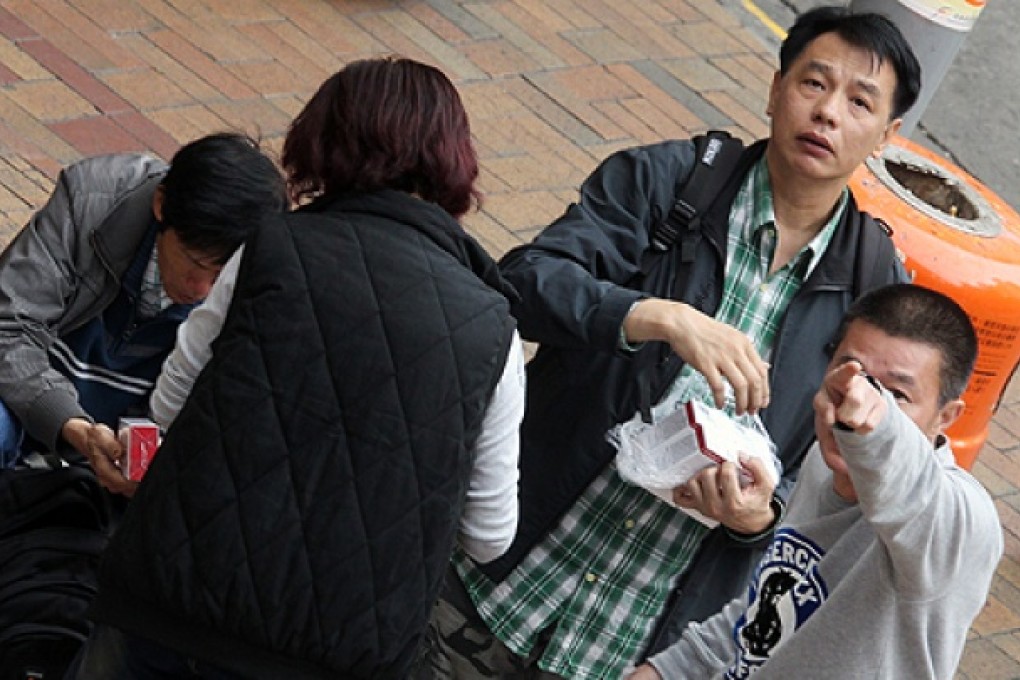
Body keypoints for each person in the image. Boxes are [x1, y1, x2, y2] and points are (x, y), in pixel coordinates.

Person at [425, 7, 921, 679]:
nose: (828, 112)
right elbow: (523, 285)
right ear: (776, 89)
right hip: (493, 582)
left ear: (888, 135)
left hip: (632, 649)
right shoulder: (670, 185)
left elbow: (854, 476)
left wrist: (760, 517)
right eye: (814, 84)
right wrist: (655, 316)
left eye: (859, 101)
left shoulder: (875, 286)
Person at [68, 57, 523, 680]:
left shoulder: (270, 248)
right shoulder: (493, 329)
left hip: (174, 605)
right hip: (340, 652)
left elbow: (170, 404)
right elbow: (490, 534)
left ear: (323, 142)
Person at [629, 283, 1003, 679]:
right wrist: (669, 670)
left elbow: (907, 480)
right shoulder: (825, 462)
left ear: (946, 416)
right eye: (850, 376)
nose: (852, 409)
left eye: (896, 394)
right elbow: (766, 608)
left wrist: (876, 427)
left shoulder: (963, 524)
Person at [0, 132, 286, 497]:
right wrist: (71, 424)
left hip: (126, 464)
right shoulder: (93, 201)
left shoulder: (263, 277)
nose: (202, 291)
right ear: (161, 205)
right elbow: (8, 326)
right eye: (195, 264)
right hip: (25, 404)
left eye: (221, 276)